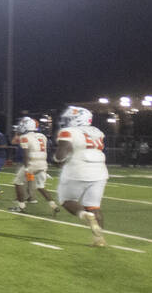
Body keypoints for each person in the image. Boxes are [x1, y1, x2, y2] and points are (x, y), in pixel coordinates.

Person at [53, 106, 110, 247]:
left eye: (68, 119)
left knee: (67, 200)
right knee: (94, 206)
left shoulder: (68, 132)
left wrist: (56, 161)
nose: (65, 122)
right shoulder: (98, 132)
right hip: (100, 171)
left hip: (77, 169)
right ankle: (99, 239)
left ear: (76, 119)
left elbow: (62, 153)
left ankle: (84, 215)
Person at [10, 117, 59, 215]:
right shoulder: (42, 136)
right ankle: (54, 205)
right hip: (42, 164)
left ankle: (21, 206)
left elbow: (26, 154)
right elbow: (44, 150)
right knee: (40, 186)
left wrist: (27, 168)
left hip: (32, 164)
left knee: (18, 182)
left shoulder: (25, 137)